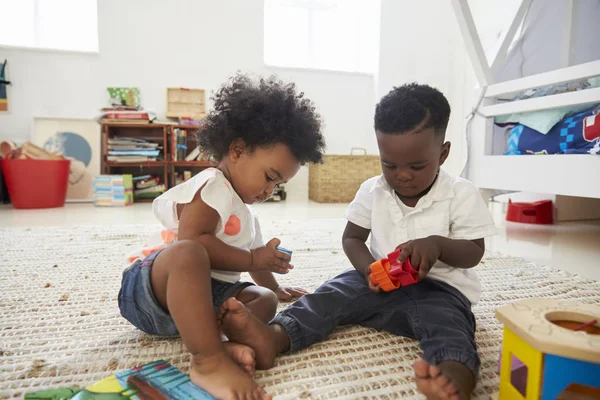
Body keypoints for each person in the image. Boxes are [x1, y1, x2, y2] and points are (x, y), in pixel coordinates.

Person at [218, 83, 496, 400]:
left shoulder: (460, 193)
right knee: (331, 294)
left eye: (417, 166)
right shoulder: (373, 190)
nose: (402, 175)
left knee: (451, 326)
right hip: (377, 284)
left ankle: (453, 378)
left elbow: (475, 251)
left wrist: (437, 245)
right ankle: (275, 337)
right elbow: (352, 238)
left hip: (440, 291)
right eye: (389, 164)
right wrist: (367, 271)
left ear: (443, 154)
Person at [118, 73, 326, 400]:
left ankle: (224, 342)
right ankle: (209, 360)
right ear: (238, 150)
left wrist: (273, 285)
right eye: (269, 178)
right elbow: (193, 240)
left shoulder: (246, 212)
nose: (269, 191)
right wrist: (253, 259)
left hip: (204, 301)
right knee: (189, 254)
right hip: (154, 292)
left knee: (264, 301)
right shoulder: (213, 185)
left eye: (277, 186)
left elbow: (255, 256)